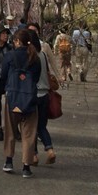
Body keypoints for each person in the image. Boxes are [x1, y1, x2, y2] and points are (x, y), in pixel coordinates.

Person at [1, 28, 41, 177]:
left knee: (11, 130)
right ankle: (26, 166)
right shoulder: (34, 57)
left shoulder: (10, 56)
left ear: (18, 41)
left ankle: (9, 160)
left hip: (13, 98)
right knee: (29, 133)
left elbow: (4, 75)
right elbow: (36, 78)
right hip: (29, 99)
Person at [28, 22, 59, 165]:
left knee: (31, 126)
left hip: (34, 94)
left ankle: (34, 155)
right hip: (45, 94)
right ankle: (50, 149)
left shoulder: (29, 55)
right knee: (41, 126)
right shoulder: (43, 55)